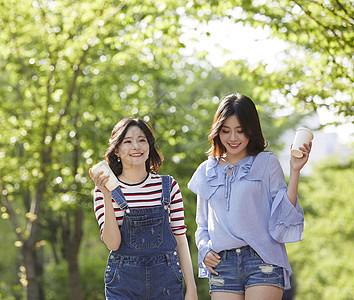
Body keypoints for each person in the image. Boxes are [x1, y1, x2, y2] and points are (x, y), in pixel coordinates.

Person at [188, 93, 312, 299]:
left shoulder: (266, 163)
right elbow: (202, 224)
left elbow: (284, 215)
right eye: (226, 131)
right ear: (217, 131)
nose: (233, 138)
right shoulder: (206, 171)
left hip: (263, 260)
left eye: (240, 131)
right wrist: (204, 250)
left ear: (251, 130)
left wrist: (295, 171)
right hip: (222, 264)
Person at [90, 117, 198, 300]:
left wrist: (192, 288)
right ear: (116, 149)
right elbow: (112, 244)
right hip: (123, 285)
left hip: (167, 283)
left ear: (149, 146)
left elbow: (180, 238)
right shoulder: (103, 190)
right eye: (128, 141)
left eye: (142, 140)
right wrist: (107, 196)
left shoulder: (168, 185)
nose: (136, 147)